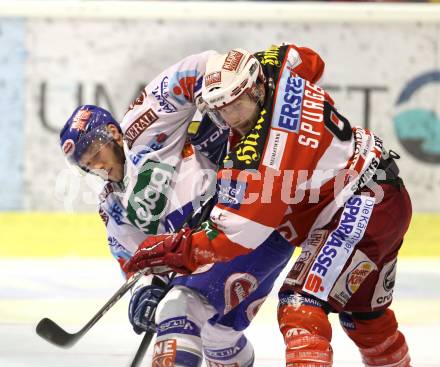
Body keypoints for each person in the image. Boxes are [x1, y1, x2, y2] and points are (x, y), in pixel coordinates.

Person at [124, 44, 412, 367]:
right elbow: (311, 61)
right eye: (222, 109)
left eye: (238, 107)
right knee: (364, 317)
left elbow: (234, 237)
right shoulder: (274, 65)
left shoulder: (267, 154)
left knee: (299, 305)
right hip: (378, 192)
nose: (232, 119)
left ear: (257, 89)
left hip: (360, 204)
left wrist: (176, 251)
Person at [60, 44, 326, 366]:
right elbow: (138, 262)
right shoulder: (113, 208)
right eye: (87, 165)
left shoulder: (141, 127)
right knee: (219, 337)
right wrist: (145, 291)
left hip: (245, 219)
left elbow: (199, 67)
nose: (97, 167)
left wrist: (220, 99)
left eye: (96, 154)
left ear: (113, 133)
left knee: (178, 309)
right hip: (227, 245)